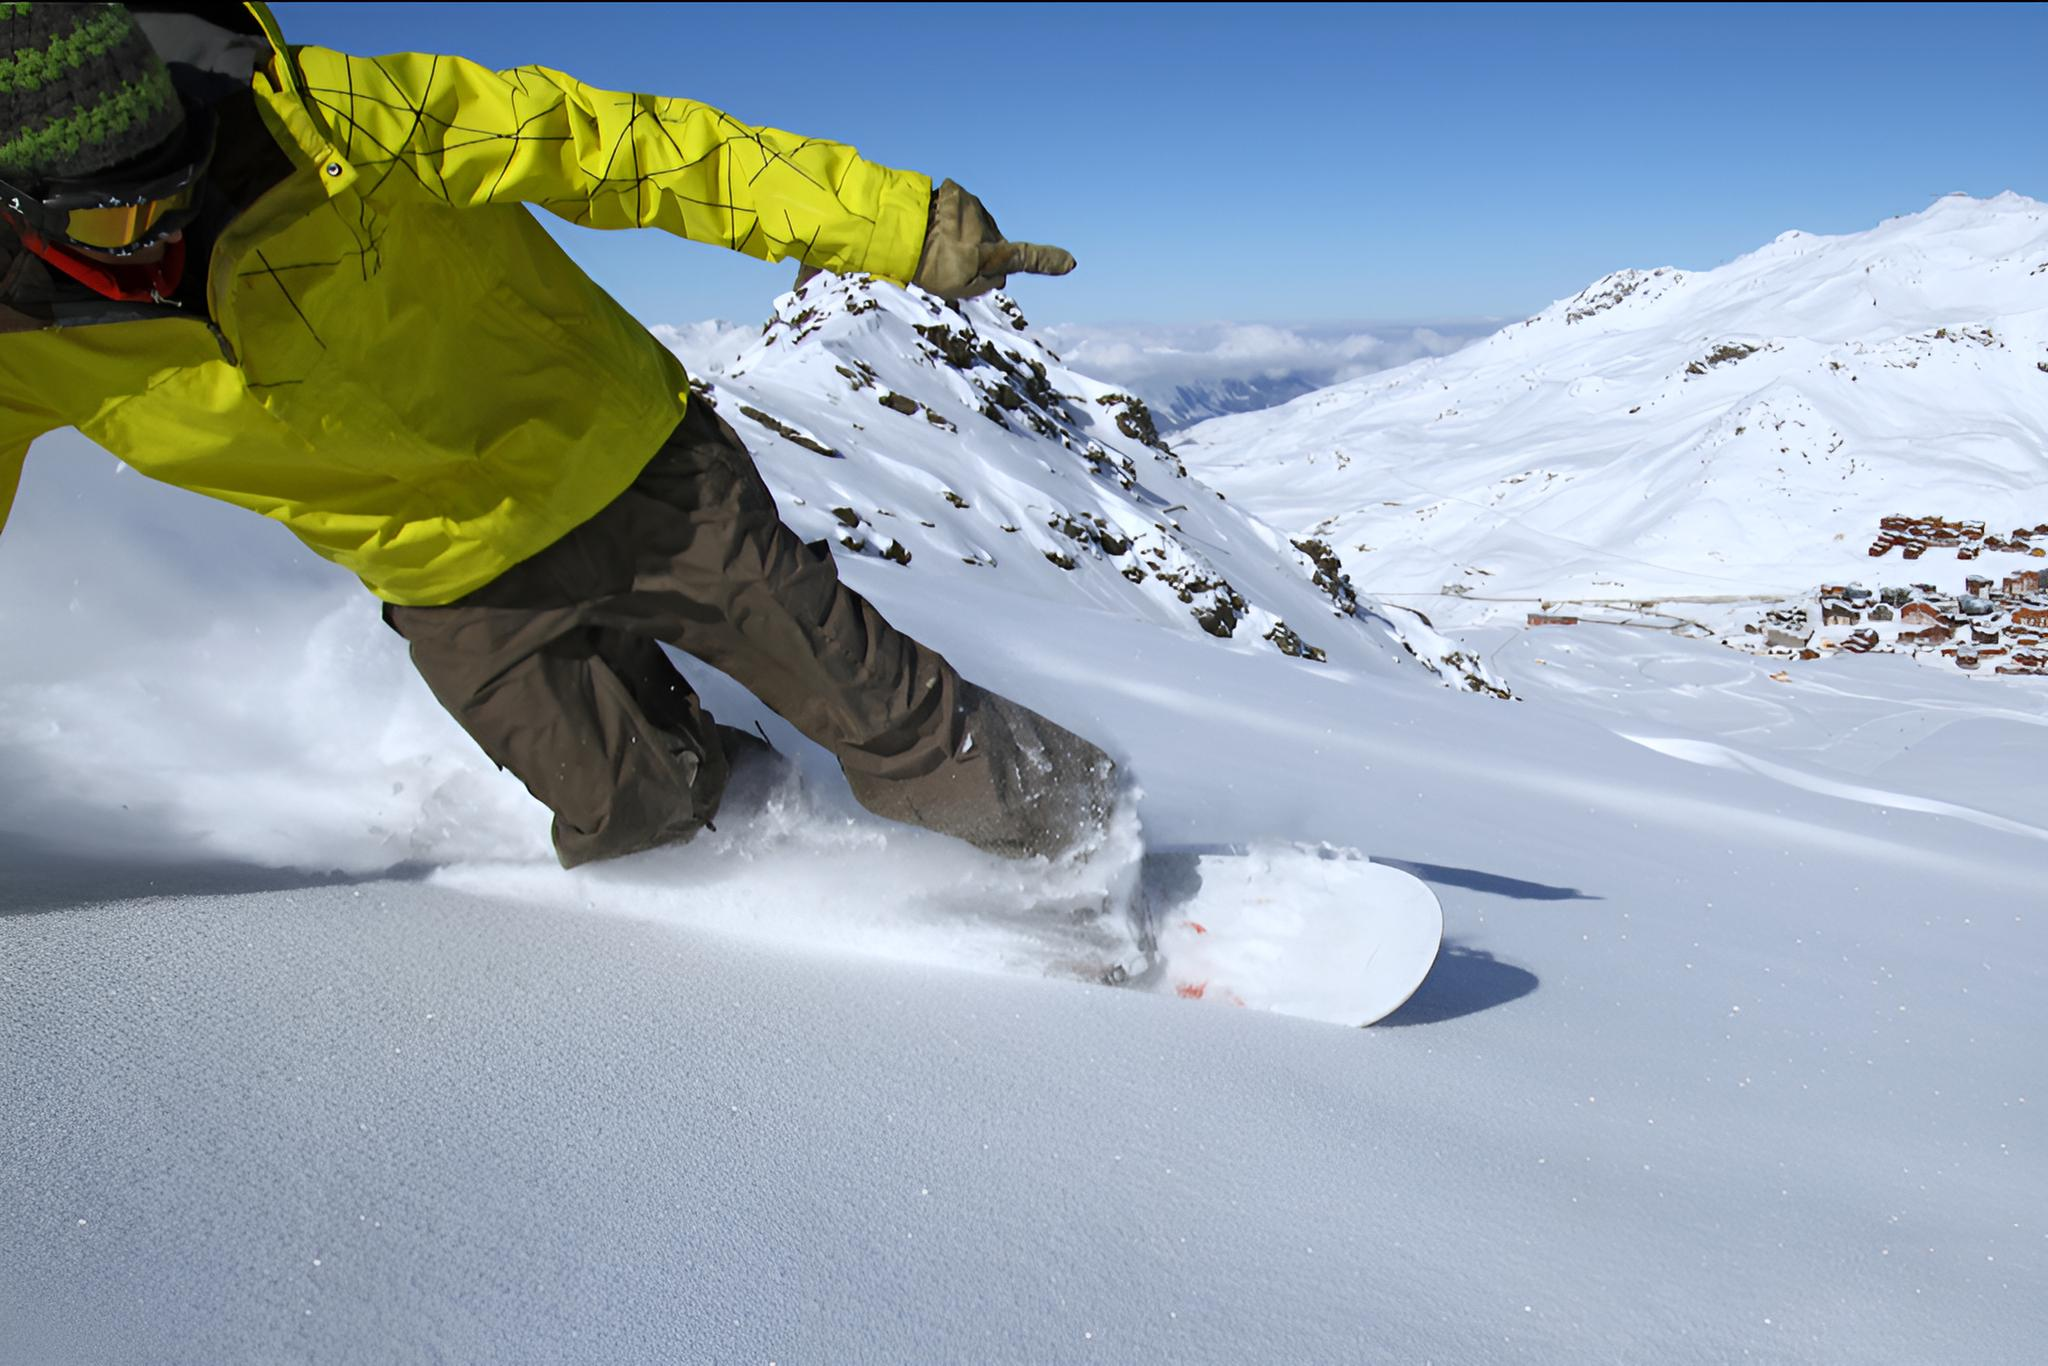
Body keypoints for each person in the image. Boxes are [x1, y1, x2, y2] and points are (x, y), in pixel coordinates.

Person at [0, 1, 1118, 867]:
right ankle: (776, 886)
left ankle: (1088, 860)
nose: (166, 223)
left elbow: (622, 148)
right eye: (113, 217)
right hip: (450, 576)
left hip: (627, 465)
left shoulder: (326, 121)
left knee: (887, 712)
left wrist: (888, 220)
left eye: (179, 176)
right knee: (630, 819)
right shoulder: (15, 345)